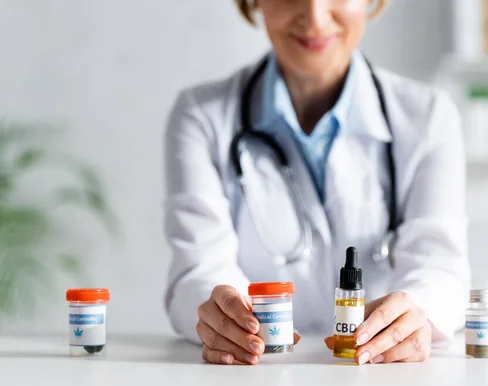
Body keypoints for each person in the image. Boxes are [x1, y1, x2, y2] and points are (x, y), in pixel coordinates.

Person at [163, 0, 470, 366]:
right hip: (256, 377)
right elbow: (198, 269)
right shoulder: (202, 116)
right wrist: (220, 313)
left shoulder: (429, 117)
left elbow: (439, 269)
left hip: (379, 378)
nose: (315, 17)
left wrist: (417, 313)